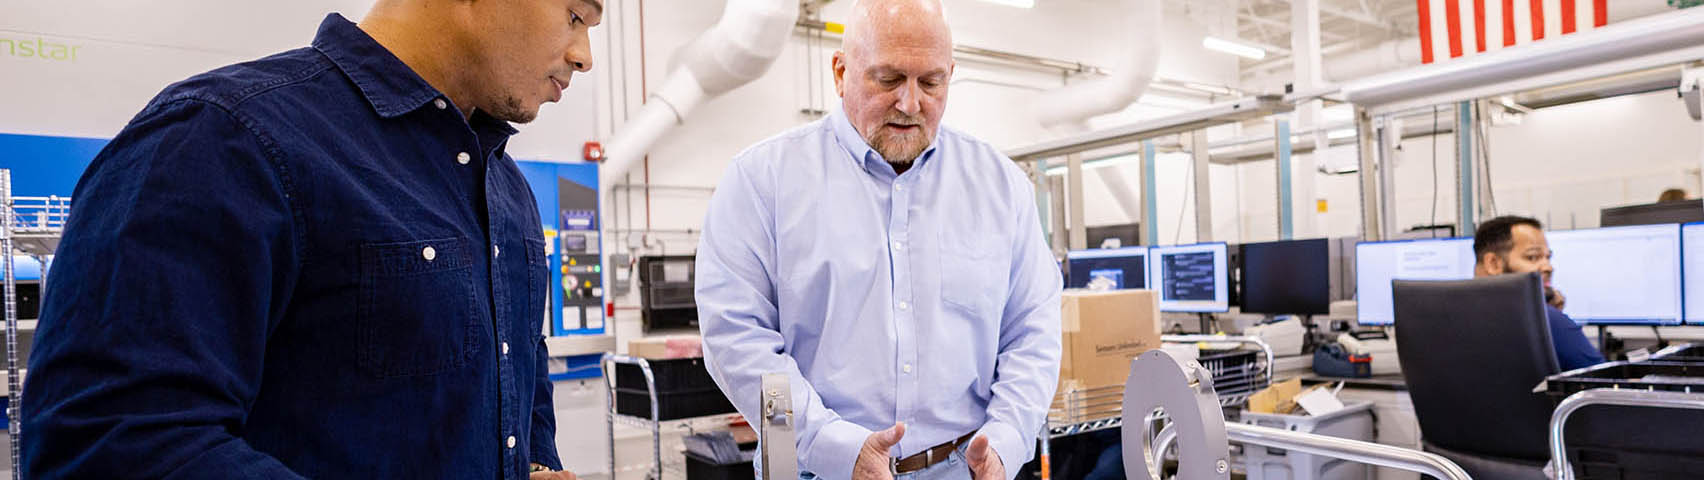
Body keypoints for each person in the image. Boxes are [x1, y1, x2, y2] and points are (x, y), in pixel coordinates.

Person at [21, 1, 599, 478]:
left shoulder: (505, 186)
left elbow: (521, 378)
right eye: (575, 16)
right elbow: (108, 445)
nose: (586, 57)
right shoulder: (221, 138)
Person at [695, 0, 1061, 479]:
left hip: (961, 469)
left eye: (931, 83)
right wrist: (828, 445)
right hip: (811, 469)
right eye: (888, 80)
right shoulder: (763, 182)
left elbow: (1033, 330)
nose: (910, 104)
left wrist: (1006, 444)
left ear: (950, 74)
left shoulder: (1001, 187)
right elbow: (735, 342)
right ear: (840, 72)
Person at [1471, 216, 1605, 371]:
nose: (1548, 267)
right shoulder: (1547, 320)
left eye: (1548, 257)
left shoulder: (1449, 317)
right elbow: (1609, 386)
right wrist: (1553, 320)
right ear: (1493, 264)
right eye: (1533, 257)